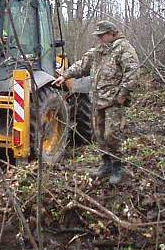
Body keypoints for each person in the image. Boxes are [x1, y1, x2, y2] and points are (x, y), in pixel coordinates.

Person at [52, 20, 139, 184]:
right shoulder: (98, 51)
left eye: (102, 35)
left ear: (112, 33)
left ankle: (118, 168)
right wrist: (65, 75)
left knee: (112, 135)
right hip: (98, 100)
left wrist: (123, 93)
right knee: (99, 135)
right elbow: (82, 65)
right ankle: (106, 164)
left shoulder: (123, 49)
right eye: (98, 36)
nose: (100, 39)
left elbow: (133, 71)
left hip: (114, 101)